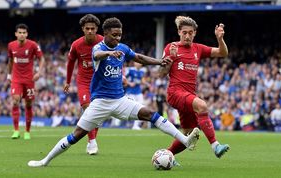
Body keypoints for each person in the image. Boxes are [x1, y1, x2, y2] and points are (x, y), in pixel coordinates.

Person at [28, 17, 199, 167]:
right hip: (100, 103)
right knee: (76, 135)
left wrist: (159, 62)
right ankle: (45, 161)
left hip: (120, 100)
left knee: (151, 114)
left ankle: (185, 140)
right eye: (114, 35)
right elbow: (97, 56)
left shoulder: (122, 48)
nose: (118, 38)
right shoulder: (97, 48)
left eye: (120, 35)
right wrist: (110, 52)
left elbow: (138, 57)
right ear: (106, 33)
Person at [159, 16, 230, 158]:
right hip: (175, 93)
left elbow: (223, 53)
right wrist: (171, 58)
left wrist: (220, 39)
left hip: (188, 95)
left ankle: (166, 156)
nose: (187, 36)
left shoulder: (198, 48)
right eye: (184, 32)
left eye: (190, 33)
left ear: (195, 33)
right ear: (179, 32)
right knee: (202, 106)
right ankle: (216, 146)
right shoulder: (171, 47)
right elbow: (161, 73)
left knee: (189, 135)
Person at [63, 14, 103, 155]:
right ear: (83, 29)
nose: (90, 31)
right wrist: (68, 81)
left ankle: (91, 139)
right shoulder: (76, 45)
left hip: (100, 82)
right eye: (87, 28)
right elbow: (70, 64)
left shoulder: (104, 42)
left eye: (93, 28)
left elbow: (115, 61)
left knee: (97, 115)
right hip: (83, 82)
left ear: (97, 28)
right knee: (88, 108)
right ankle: (92, 142)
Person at [7, 23, 45, 140]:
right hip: (16, 79)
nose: (22, 34)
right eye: (20, 32)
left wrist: (38, 72)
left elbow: (41, 58)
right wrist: (9, 74)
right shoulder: (11, 46)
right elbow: (10, 60)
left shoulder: (33, 45)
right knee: (15, 101)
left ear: (26, 34)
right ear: (16, 34)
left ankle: (27, 131)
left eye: (24, 33)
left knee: (28, 104)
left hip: (29, 79)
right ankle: (16, 130)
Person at [124, 62, 147, 130]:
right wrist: (129, 83)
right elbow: (123, 78)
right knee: (131, 109)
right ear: (134, 63)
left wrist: (147, 84)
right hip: (130, 92)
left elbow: (142, 80)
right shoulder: (130, 70)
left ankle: (135, 125)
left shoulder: (142, 71)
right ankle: (125, 122)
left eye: (140, 63)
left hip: (138, 92)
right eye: (137, 62)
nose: (138, 64)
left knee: (141, 108)